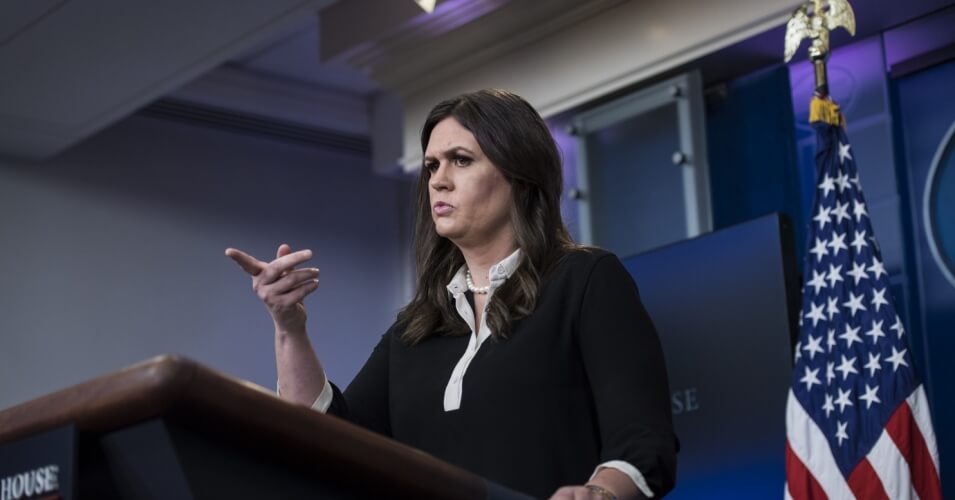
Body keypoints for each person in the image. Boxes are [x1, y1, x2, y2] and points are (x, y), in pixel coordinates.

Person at [226, 89, 678, 499]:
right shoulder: (415, 328)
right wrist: (289, 328)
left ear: (520, 174)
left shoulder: (585, 281)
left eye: (460, 160)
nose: (438, 180)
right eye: (431, 166)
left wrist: (599, 493)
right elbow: (330, 443)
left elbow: (643, 441)